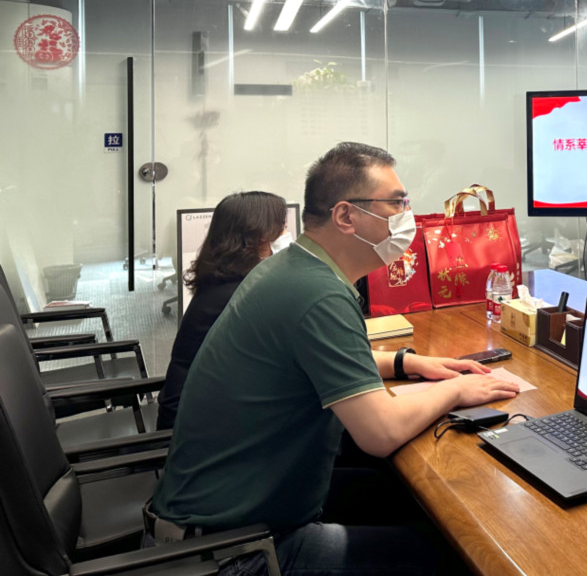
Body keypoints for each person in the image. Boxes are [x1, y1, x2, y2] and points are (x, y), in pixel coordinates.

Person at [147, 142, 519, 574]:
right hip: (236, 552)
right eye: (396, 203)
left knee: (402, 495)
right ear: (346, 216)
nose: (406, 216)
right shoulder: (318, 293)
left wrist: (407, 363)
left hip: (224, 517)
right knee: (459, 557)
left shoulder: (294, 268)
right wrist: (458, 389)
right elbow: (380, 431)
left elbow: (310, 357)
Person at [156, 191, 289, 430]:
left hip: (204, 410)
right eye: (281, 226)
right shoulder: (238, 295)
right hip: (198, 429)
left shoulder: (223, 281)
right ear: (259, 235)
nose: (286, 232)